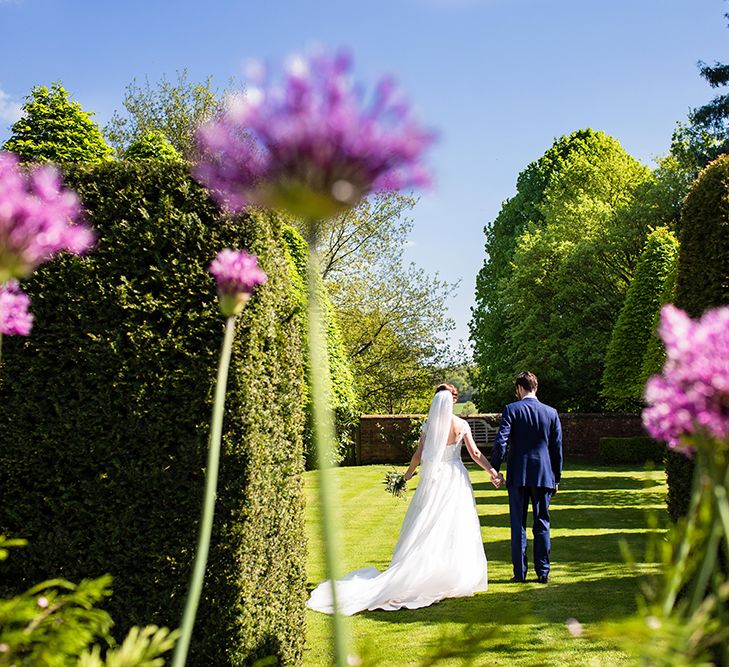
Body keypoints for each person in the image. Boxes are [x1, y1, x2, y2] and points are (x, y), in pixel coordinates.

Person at [307, 383, 502, 616]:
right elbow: (476, 454)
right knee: (454, 524)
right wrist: (492, 471)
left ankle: (429, 571)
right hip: (455, 479)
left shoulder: (429, 425)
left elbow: (418, 455)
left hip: (433, 481)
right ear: (453, 400)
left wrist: (406, 476)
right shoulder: (461, 425)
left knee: (427, 523)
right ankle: (451, 574)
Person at [490, 371, 563, 584]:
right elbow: (556, 448)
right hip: (544, 475)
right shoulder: (551, 412)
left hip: (518, 475)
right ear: (535, 387)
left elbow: (501, 441)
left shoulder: (512, 409)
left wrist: (494, 468)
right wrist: (556, 478)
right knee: (542, 523)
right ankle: (543, 572)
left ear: (520, 389)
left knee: (517, 524)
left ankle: (520, 573)